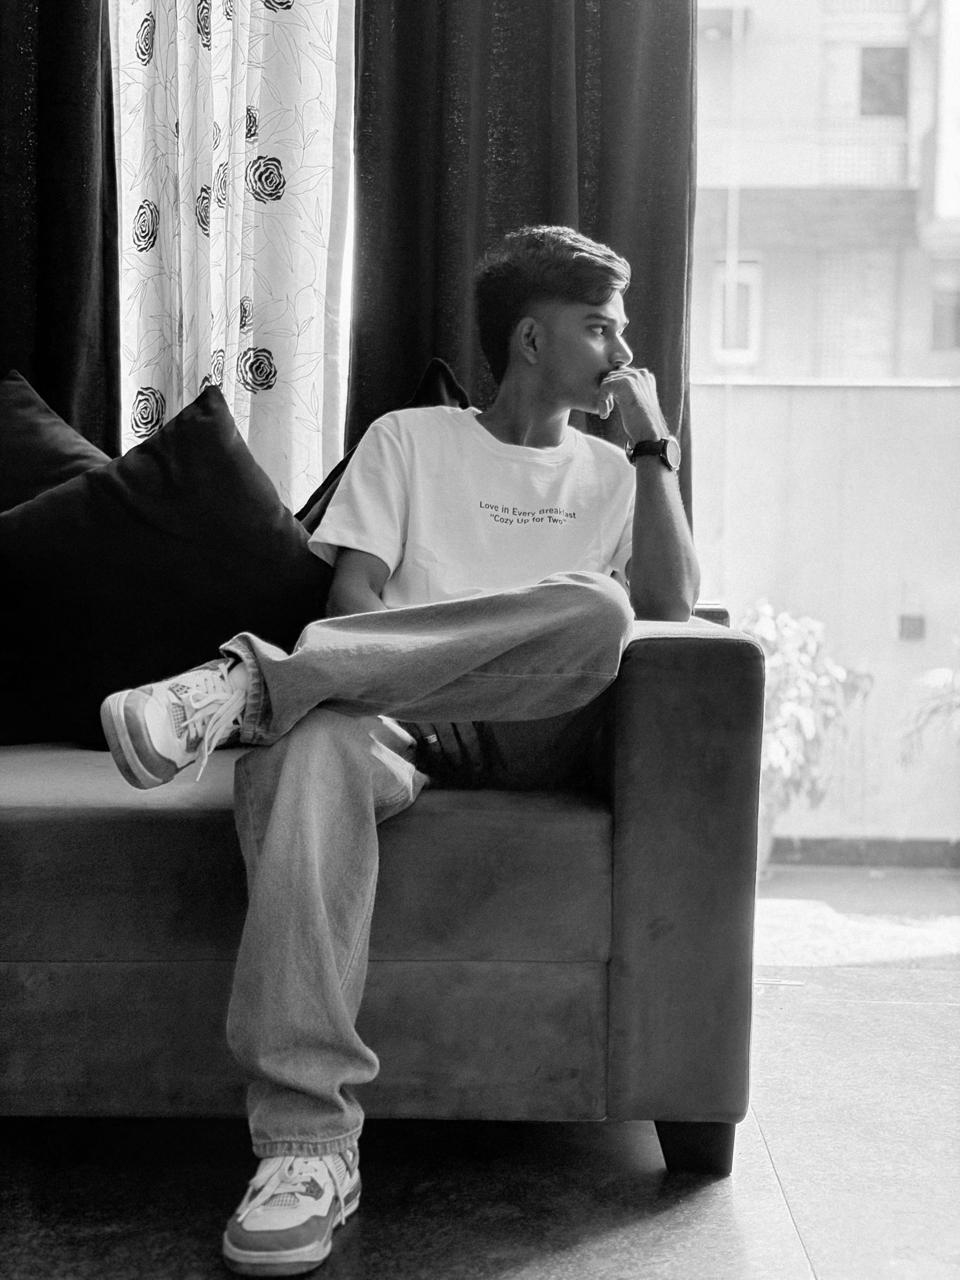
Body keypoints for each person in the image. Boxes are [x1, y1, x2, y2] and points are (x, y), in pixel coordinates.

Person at [100, 225, 700, 1276]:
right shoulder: (409, 439)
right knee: (303, 756)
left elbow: (669, 606)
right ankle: (306, 1150)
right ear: (531, 338)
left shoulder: (614, 473)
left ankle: (244, 685)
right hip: (391, 724)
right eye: (601, 327)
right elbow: (354, 602)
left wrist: (654, 450)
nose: (623, 351)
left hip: (536, 728)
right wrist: (395, 684)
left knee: (597, 611)